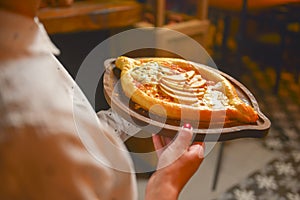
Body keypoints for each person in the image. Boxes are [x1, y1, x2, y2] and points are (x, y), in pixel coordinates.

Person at [0, 0, 205, 199]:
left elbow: (79, 140)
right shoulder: (32, 127)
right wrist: (165, 186)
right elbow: (55, 138)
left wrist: (134, 112)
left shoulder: (22, 34)